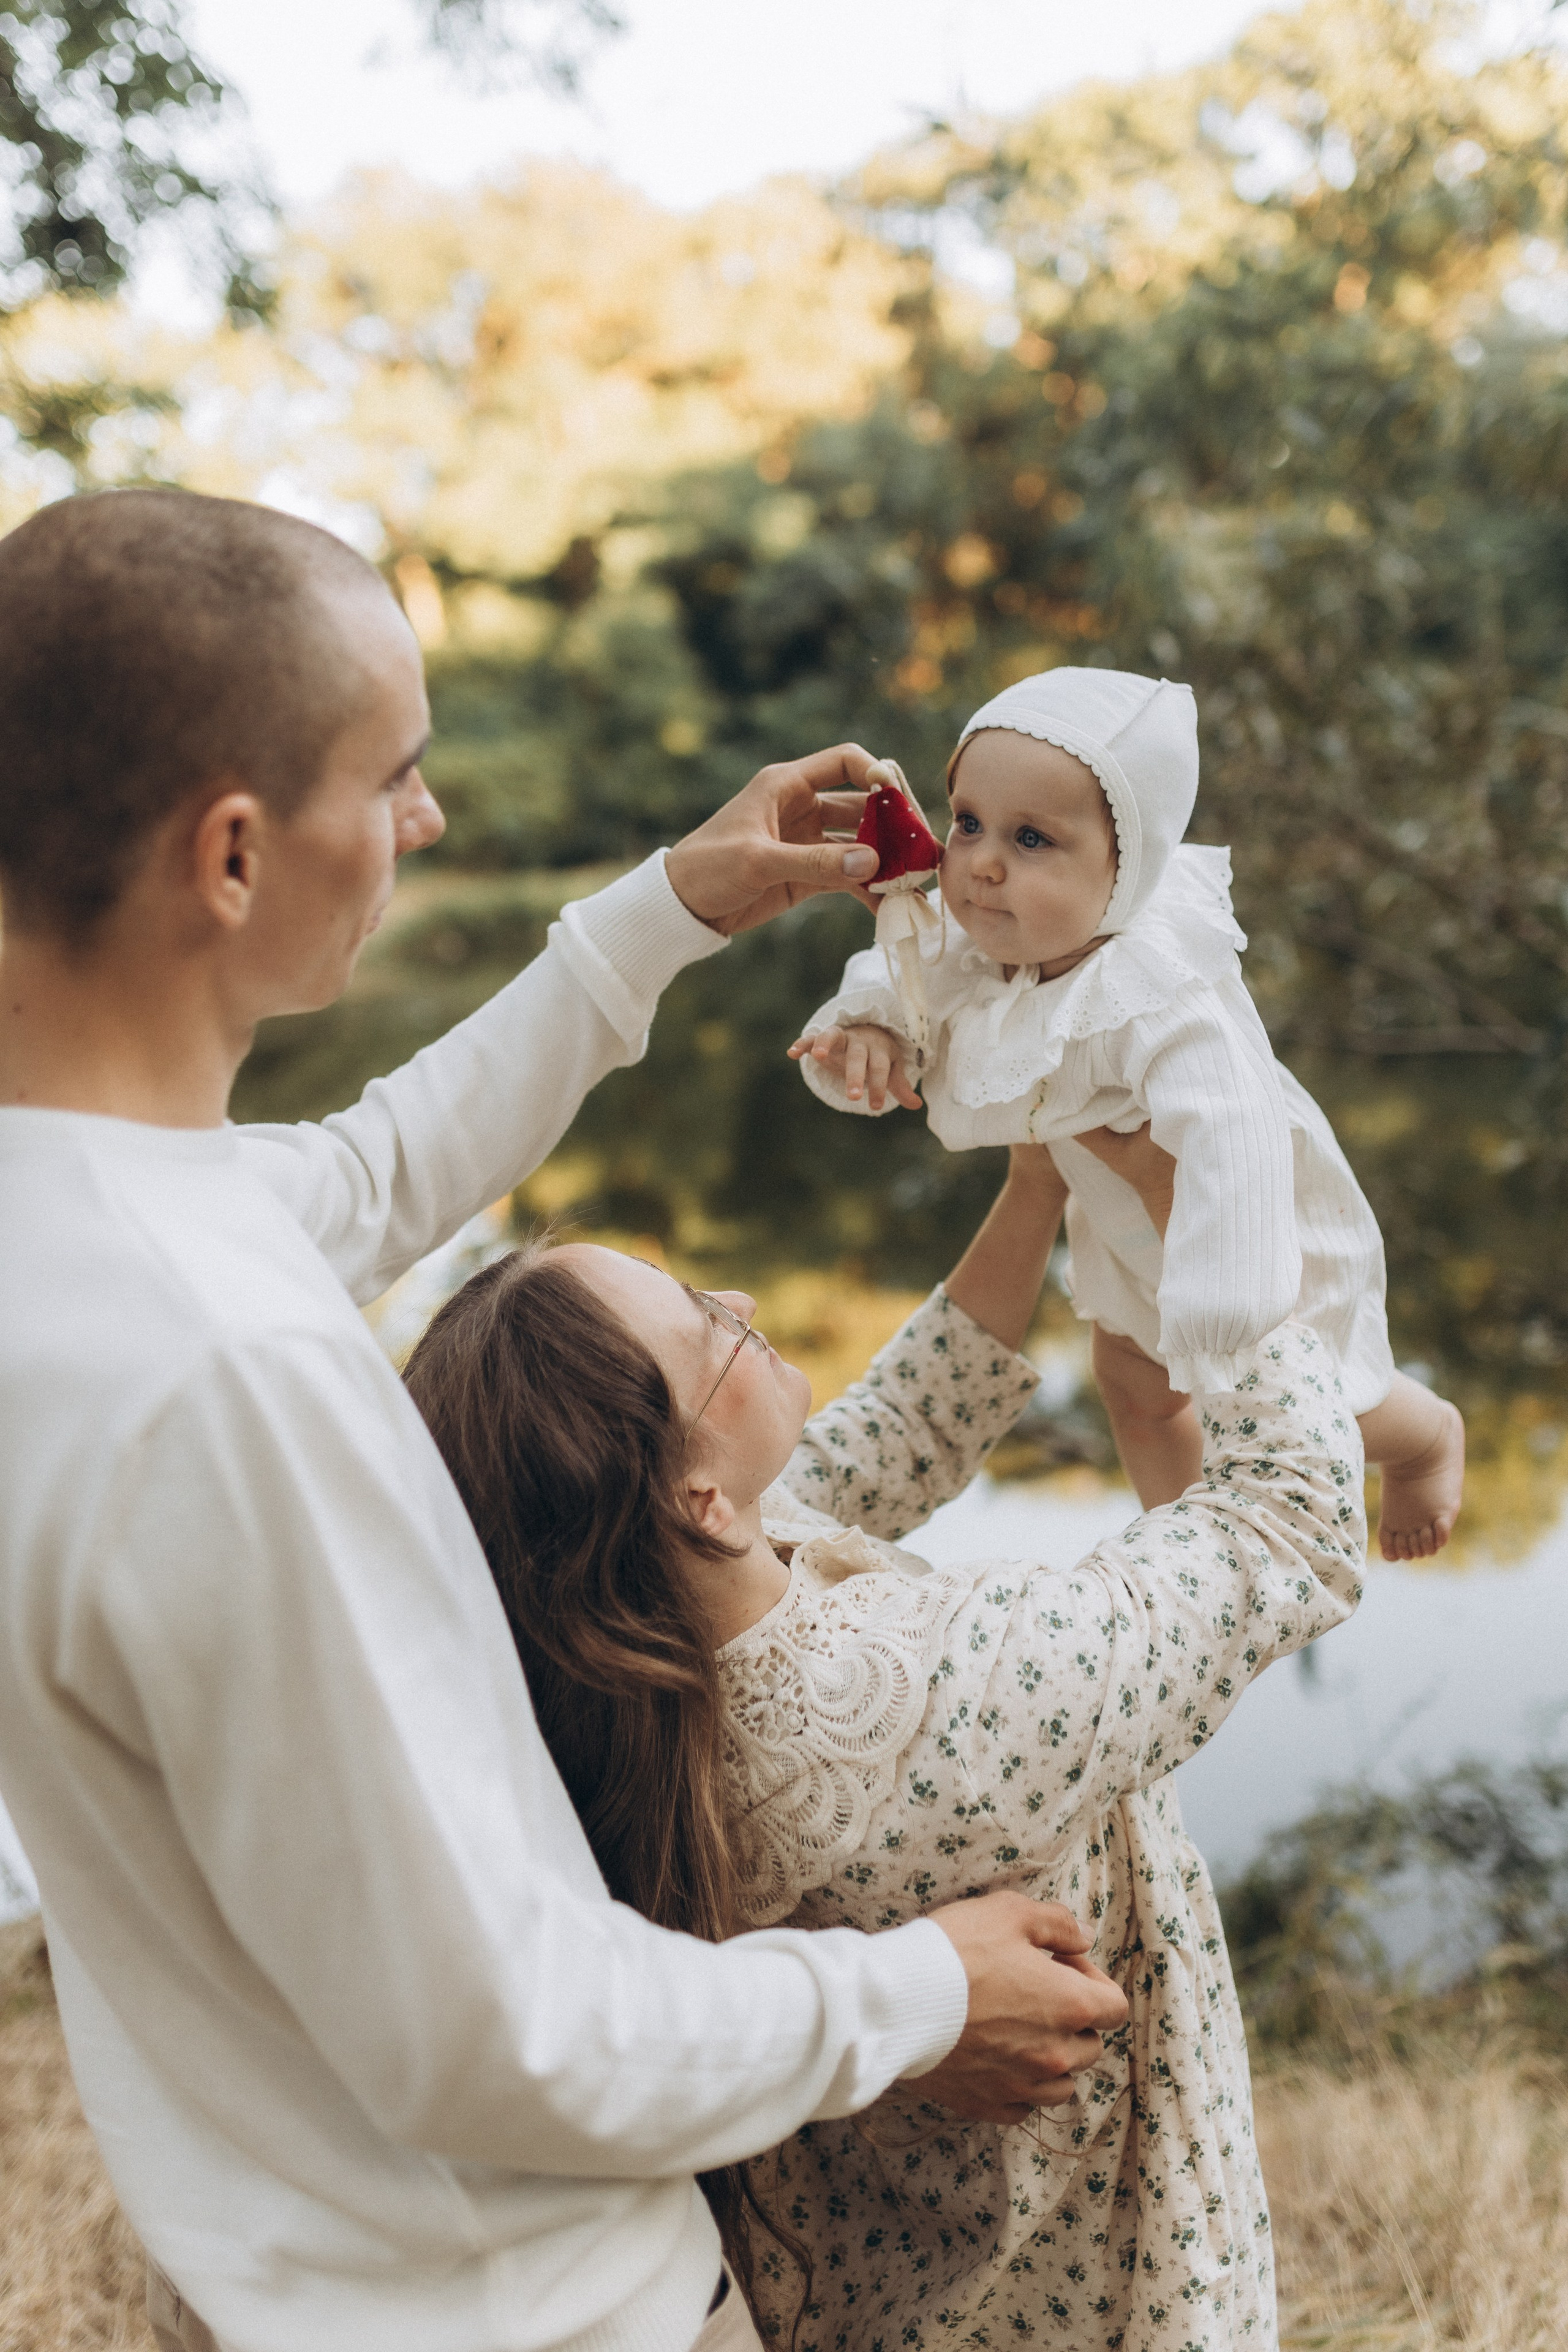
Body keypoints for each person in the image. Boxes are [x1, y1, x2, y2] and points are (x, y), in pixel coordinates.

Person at [0, 489, 1128, 2352]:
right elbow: (505, 2030)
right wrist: (915, 1995)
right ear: (229, 853)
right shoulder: (222, 1384)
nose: (425, 821)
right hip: (531, 2315)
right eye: (394, 779)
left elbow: (375, 1170)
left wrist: (664, 915)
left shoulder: (78, 1222)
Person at [401, 1128, 1367, 2351]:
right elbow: (1286, 1529)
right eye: (709, 1325)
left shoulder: (634, 1667)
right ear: (697, 1494)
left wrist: (1033, 1189)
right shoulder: (963, 1694)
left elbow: (893, 1436)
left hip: (889, 2274)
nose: (742, 1300)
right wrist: (1217, 1233)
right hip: (1107, 2268)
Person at [788, 665, 1466, 1562]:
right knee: (1133, 1387)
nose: (983, 863)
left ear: (1127, 866)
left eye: (1031, 838)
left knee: (1326, 1397)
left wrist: (1225, 1319)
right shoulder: (1004, 935)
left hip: (1246, 1231)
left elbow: (1235, 1134)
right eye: (968, 824)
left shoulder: (1163, 990)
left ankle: (1425, 1440)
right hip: (1123, 1223)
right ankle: (1189, 1567)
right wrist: (871, 1030)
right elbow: (912, 965)